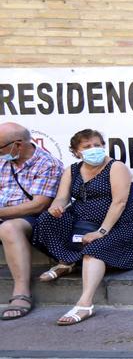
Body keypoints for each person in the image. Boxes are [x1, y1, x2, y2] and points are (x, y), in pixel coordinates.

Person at [34, 129, 133, 326]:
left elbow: (119, 203)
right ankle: (66, 262)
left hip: (119, 224)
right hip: (83, 220)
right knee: (45, 221)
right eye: (87, 147)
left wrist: (101, 231)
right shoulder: (73, 170)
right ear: (77, 152)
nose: (94, 149)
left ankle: (85, 304)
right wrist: (56, 207)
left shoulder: (116, 167)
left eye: (97, 145)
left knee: (94, 250)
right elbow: (62, 197)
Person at [0, 123, 65, 320]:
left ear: (17, 145)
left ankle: (22, 293)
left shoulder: (47, 164)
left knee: (9, 228)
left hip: (31, 218)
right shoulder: (4, 159)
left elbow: (38, 205)